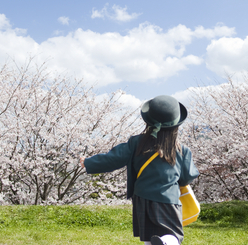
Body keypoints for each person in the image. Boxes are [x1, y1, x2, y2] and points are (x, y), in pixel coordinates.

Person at [80, 95, 199, 245]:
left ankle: (160, 242)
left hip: (142, 198)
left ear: (148, 121)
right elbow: (188, 176)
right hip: (168, 198)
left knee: (149, 237)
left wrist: (89, 162)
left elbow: (113, 158)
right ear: (176, 124)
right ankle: (166, 242)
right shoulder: (182, 150)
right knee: (173, 235)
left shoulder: (136, 143)